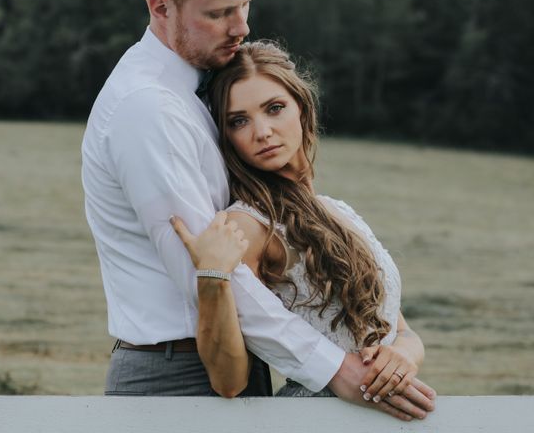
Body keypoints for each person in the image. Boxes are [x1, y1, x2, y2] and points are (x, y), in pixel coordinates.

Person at [82, 0, 433, 419]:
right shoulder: (150, 109)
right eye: (218, 13)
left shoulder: (193, 93)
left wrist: (402, 349)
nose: (240, 27)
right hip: (176, 374)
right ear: (161, 8)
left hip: (245, 363)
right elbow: (206, 274)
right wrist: (336, 371)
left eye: (245, 4)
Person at [171, 40, 432, 410]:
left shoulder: (337, 211)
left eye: (274, 109)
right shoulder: (248, 225)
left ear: (302, 108)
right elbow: (228, 380)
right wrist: (213, 277)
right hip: (317, 415)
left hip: (382, 412)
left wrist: (404, 356)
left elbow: (399, 329)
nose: (262, 132)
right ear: (225, 137)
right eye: (238, 121)